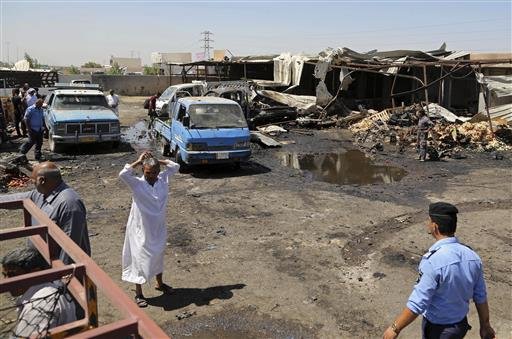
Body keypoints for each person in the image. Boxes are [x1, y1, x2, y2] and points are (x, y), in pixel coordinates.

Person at [383, 202, 496, 339]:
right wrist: (485, 325)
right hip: (460, 326)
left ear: (435, 226)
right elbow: (480, 295)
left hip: (439, 330)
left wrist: (395, 328)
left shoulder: (432, 261)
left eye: (429, 221)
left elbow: (418, 302)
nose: (428, 223)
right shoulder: (472, 256)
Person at [118, 151, 180, 307]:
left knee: (158, 254)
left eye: (154, 172)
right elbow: (123, 174)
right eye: (147, 172)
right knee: (139, 258)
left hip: (158, 227)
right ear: (142, 171)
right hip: (140, 228)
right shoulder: (137, 183)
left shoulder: (163, 180)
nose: (150, 175)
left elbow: (175, 166)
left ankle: (160, 283)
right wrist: (140, 161)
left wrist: (156, 160)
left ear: (158, 171)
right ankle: (139, 293)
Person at [0, 162, 91, 264]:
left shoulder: (69, 204)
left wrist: (62, 275)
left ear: (42, 180)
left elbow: (70, 245)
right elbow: (16, 199)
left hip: (56, 265)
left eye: (34, 182)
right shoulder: (41, 193)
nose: (33, 185)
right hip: (42, 260)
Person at [2, 247, 76, 337]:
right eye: (4, 275)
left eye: (12, 275)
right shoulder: (51, 290)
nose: (6, 281)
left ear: (35, 272)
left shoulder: (38, 306)